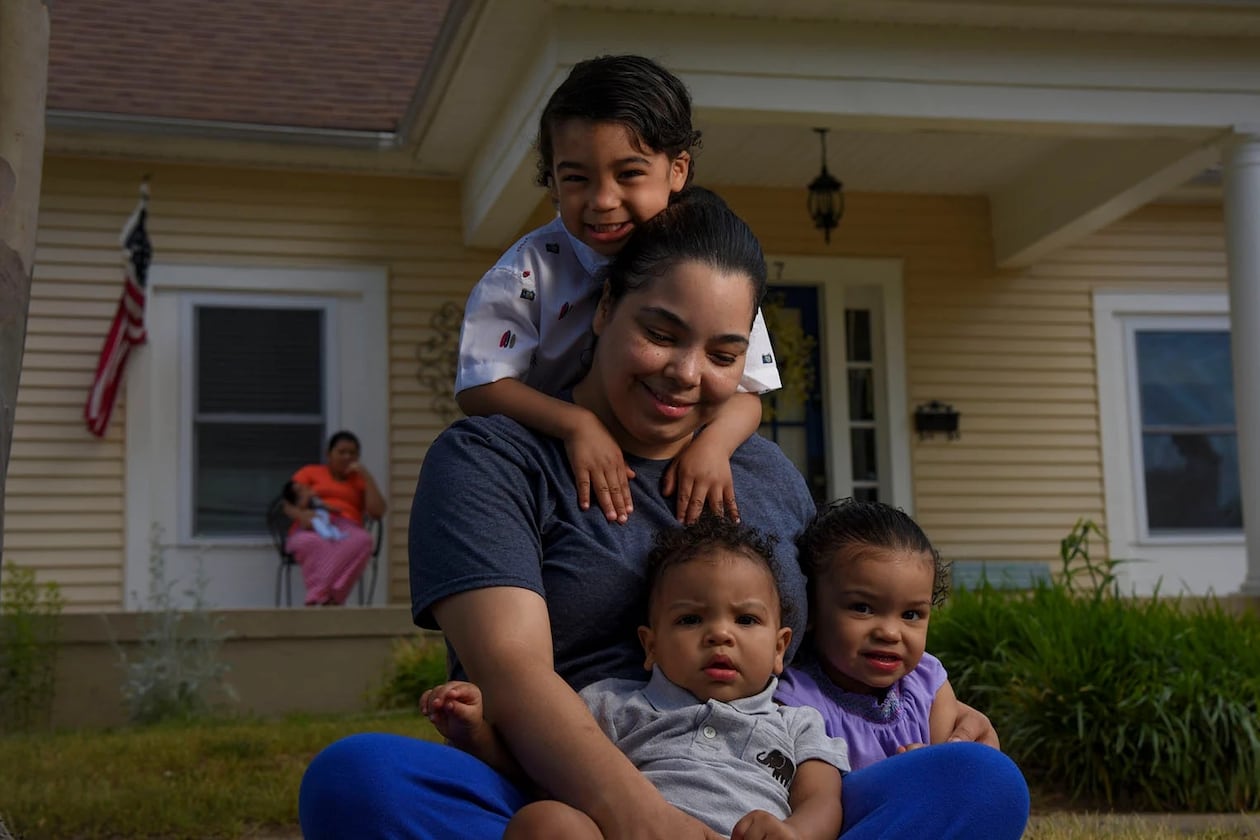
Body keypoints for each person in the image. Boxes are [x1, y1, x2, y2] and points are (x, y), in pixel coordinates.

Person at [298, 188, 1029, 839]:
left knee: (978, 783)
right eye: (662, 333)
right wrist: (650, 823)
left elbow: (810, 655)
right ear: (606, 308)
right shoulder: (493, 460)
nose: (687, 374)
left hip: (760, 807)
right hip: (561, 801)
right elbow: (515, 678)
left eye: (721, 353)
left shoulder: (767, 474)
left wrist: (940, 710)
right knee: (360, 779)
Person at [454, 54, 781, 527]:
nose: (603, 201)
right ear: (552, 183)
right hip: (554, 472)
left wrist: (713, 447)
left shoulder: (710, 268)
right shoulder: (528, 272)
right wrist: (574, 424)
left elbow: (748, 391)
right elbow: (481, 385)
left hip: (655, 472)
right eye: (576, 179)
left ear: (677, 170)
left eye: (628, 174)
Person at [421, 514, 848, 840]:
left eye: (747, 619)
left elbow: (821, 799)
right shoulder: (612, 704)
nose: (720, 634)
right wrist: (474, 733)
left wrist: (794, 834)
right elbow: (532, 768)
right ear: (651, 646)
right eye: (690, 618)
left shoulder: (796, 722)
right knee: (545, 821)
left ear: (780, 647)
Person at [776, 499, 967, 771]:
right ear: (811, 609)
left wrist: (936, 772)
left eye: (911, 614)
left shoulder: (928, 685)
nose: (890, 633)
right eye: (862, 608)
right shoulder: (796, 703)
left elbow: (953, 776)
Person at [283, 430, 386, 606]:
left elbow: (377, 512)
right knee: (308, 542)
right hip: (313, 525)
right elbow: (286, 503)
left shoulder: (359, 480)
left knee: (363, 541)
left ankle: (320, 594)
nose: (347, 457)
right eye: (341, 452)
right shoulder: (310, 472)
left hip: (347, 528)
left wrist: (367, 477)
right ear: (329, 454)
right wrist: (302, 515)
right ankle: (331, 599)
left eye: (352, 453)